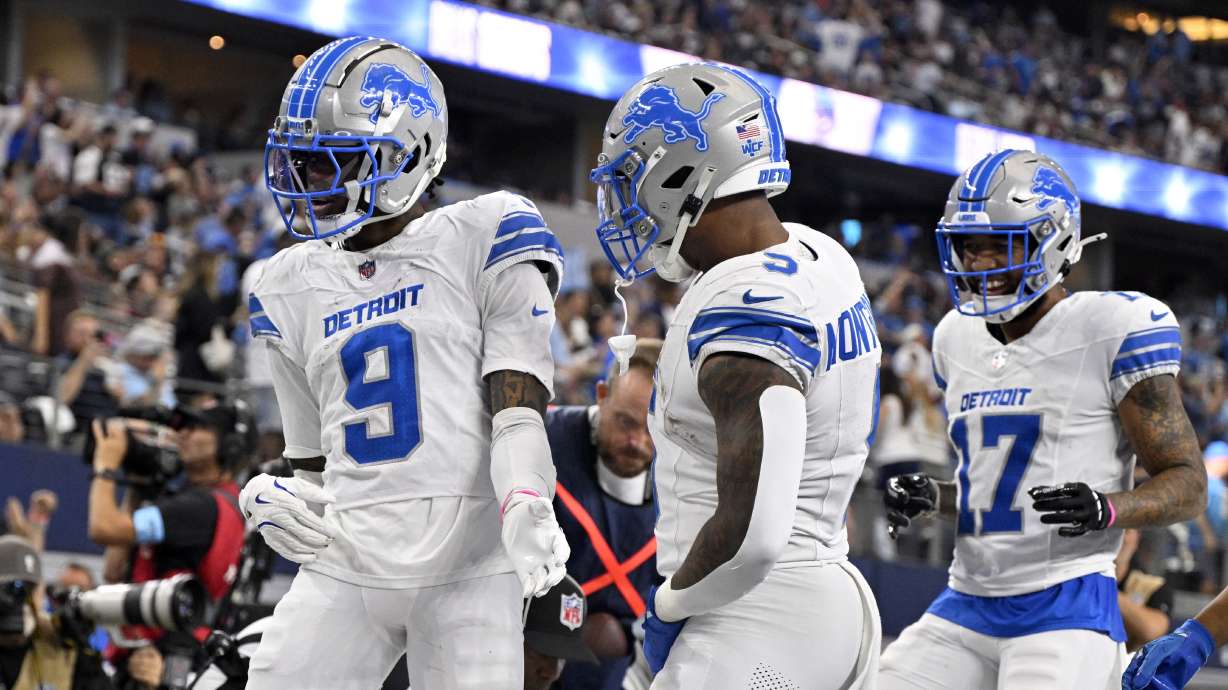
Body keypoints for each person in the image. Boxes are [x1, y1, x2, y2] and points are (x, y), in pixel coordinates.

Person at [239, 37, 569, 690]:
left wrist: (528, 498)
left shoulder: (486, 233)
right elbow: (313, 465)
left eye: (333, 161)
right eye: (302, 164)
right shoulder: (285, 283)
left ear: (407, 154)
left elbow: (518, 415)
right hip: (348, 557)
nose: (309, 184)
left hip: (468, 558)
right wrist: (267, 495)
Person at [589, 63, 881, 689]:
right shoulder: (816, 253)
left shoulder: (742, 310)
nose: (626, 201)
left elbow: (755, 537)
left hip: (753, 613)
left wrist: (667, 607)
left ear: (681, 173)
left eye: (633, 176)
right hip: (818, 595)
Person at [880, 150, 1208, 689]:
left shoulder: (1111, 327)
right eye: (970, 247)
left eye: (999, 245)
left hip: (1066, 603)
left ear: (1053, 241)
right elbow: (1005, 493)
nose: (981, 263)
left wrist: (1107, 508)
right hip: (966, 599)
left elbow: (1189, 484)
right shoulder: (952, 339)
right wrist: (936, 496)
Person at [87, 404, 247, 686]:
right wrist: (138, 486)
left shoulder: (200, 506)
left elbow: (103, 528)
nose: (181, 434)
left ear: (230, 445)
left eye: (196, 428)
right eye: (180, 427)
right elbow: (114, 571)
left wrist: (106, 465)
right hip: (152, 652)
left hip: (161, 660)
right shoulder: (209, 501)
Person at [545, 338, 661, 689]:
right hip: (523, 630)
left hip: (620, 656)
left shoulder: (685, 484)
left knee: (607, 635)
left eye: (653, 429)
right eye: (626, 422)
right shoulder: (541, 441)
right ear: (601, 395)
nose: (637, 441)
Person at [0, 535, 117, 689]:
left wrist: (87, 653)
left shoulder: (62, 649)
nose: (19, 601)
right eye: (10, 589)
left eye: (28, 589)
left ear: (40, 593)